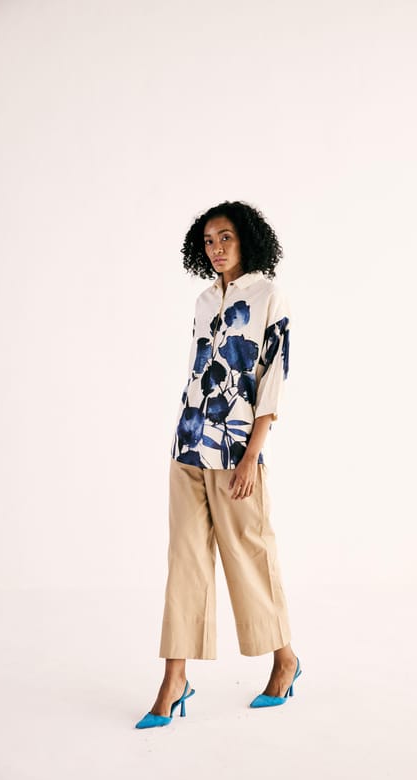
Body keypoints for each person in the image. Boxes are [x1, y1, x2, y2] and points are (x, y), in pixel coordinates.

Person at [135, 200, 302, 729]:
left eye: (225, 237)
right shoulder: (205, 300)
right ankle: (174, 678)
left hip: (235, 451)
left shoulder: (269, 295)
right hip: (188, 443)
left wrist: (252, 454)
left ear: (245, 239)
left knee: (249, 555)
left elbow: (272, 378)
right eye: (208, 241)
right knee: (184, 561)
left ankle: (285, 660)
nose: (216, 248)